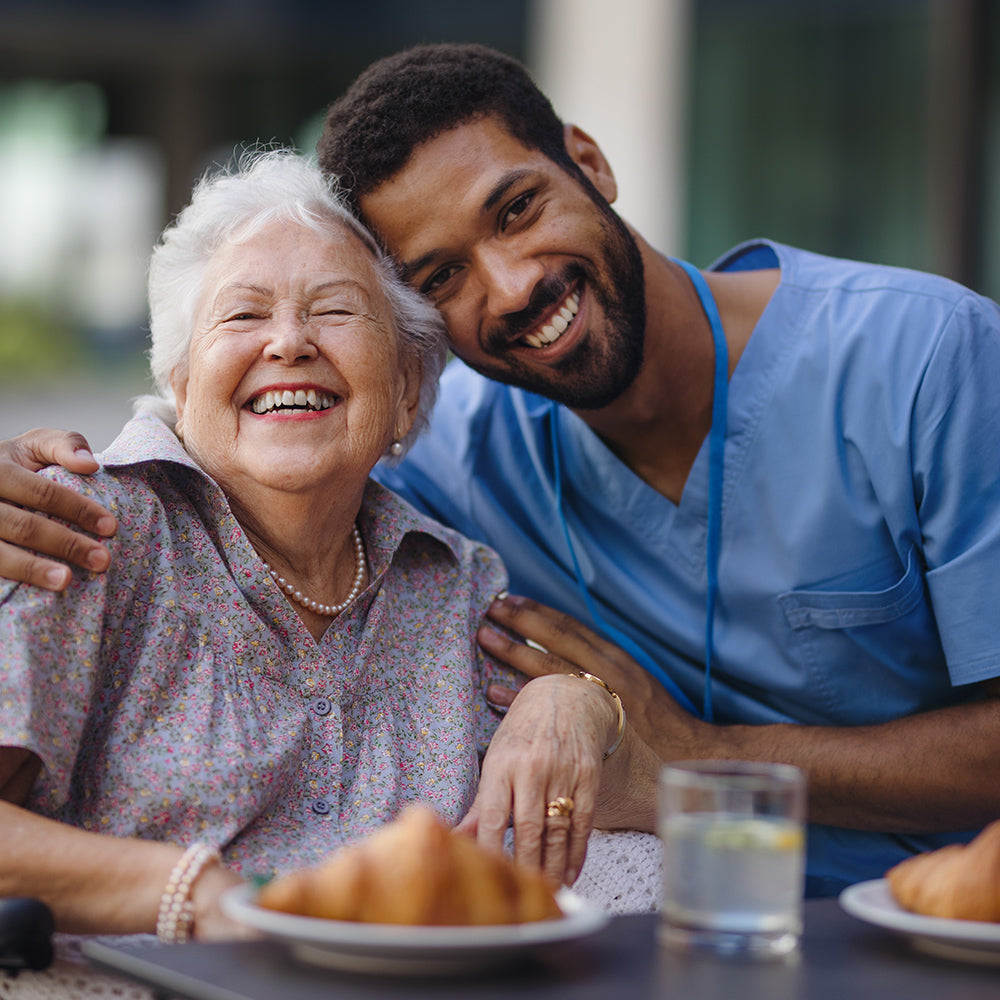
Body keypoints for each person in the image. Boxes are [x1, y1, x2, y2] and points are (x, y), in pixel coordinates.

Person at [1, 43, 999, 898]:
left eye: (518, 209)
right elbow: (274, 453)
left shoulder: (926, 359)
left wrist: (674, 748)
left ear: (590, 163)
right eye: (442, 275)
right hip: (686, 939)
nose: (513, 286)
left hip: (940, 931)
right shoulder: (445, 456)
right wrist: (22, 484)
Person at [0, 149, 658, 941]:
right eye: (243, 315)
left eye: (336, 311)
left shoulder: (455, 584)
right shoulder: (76, 527)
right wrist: (195, 896)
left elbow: (585, 823)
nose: (289, 342)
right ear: (181, 380)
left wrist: (577, 699)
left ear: (406, 390)